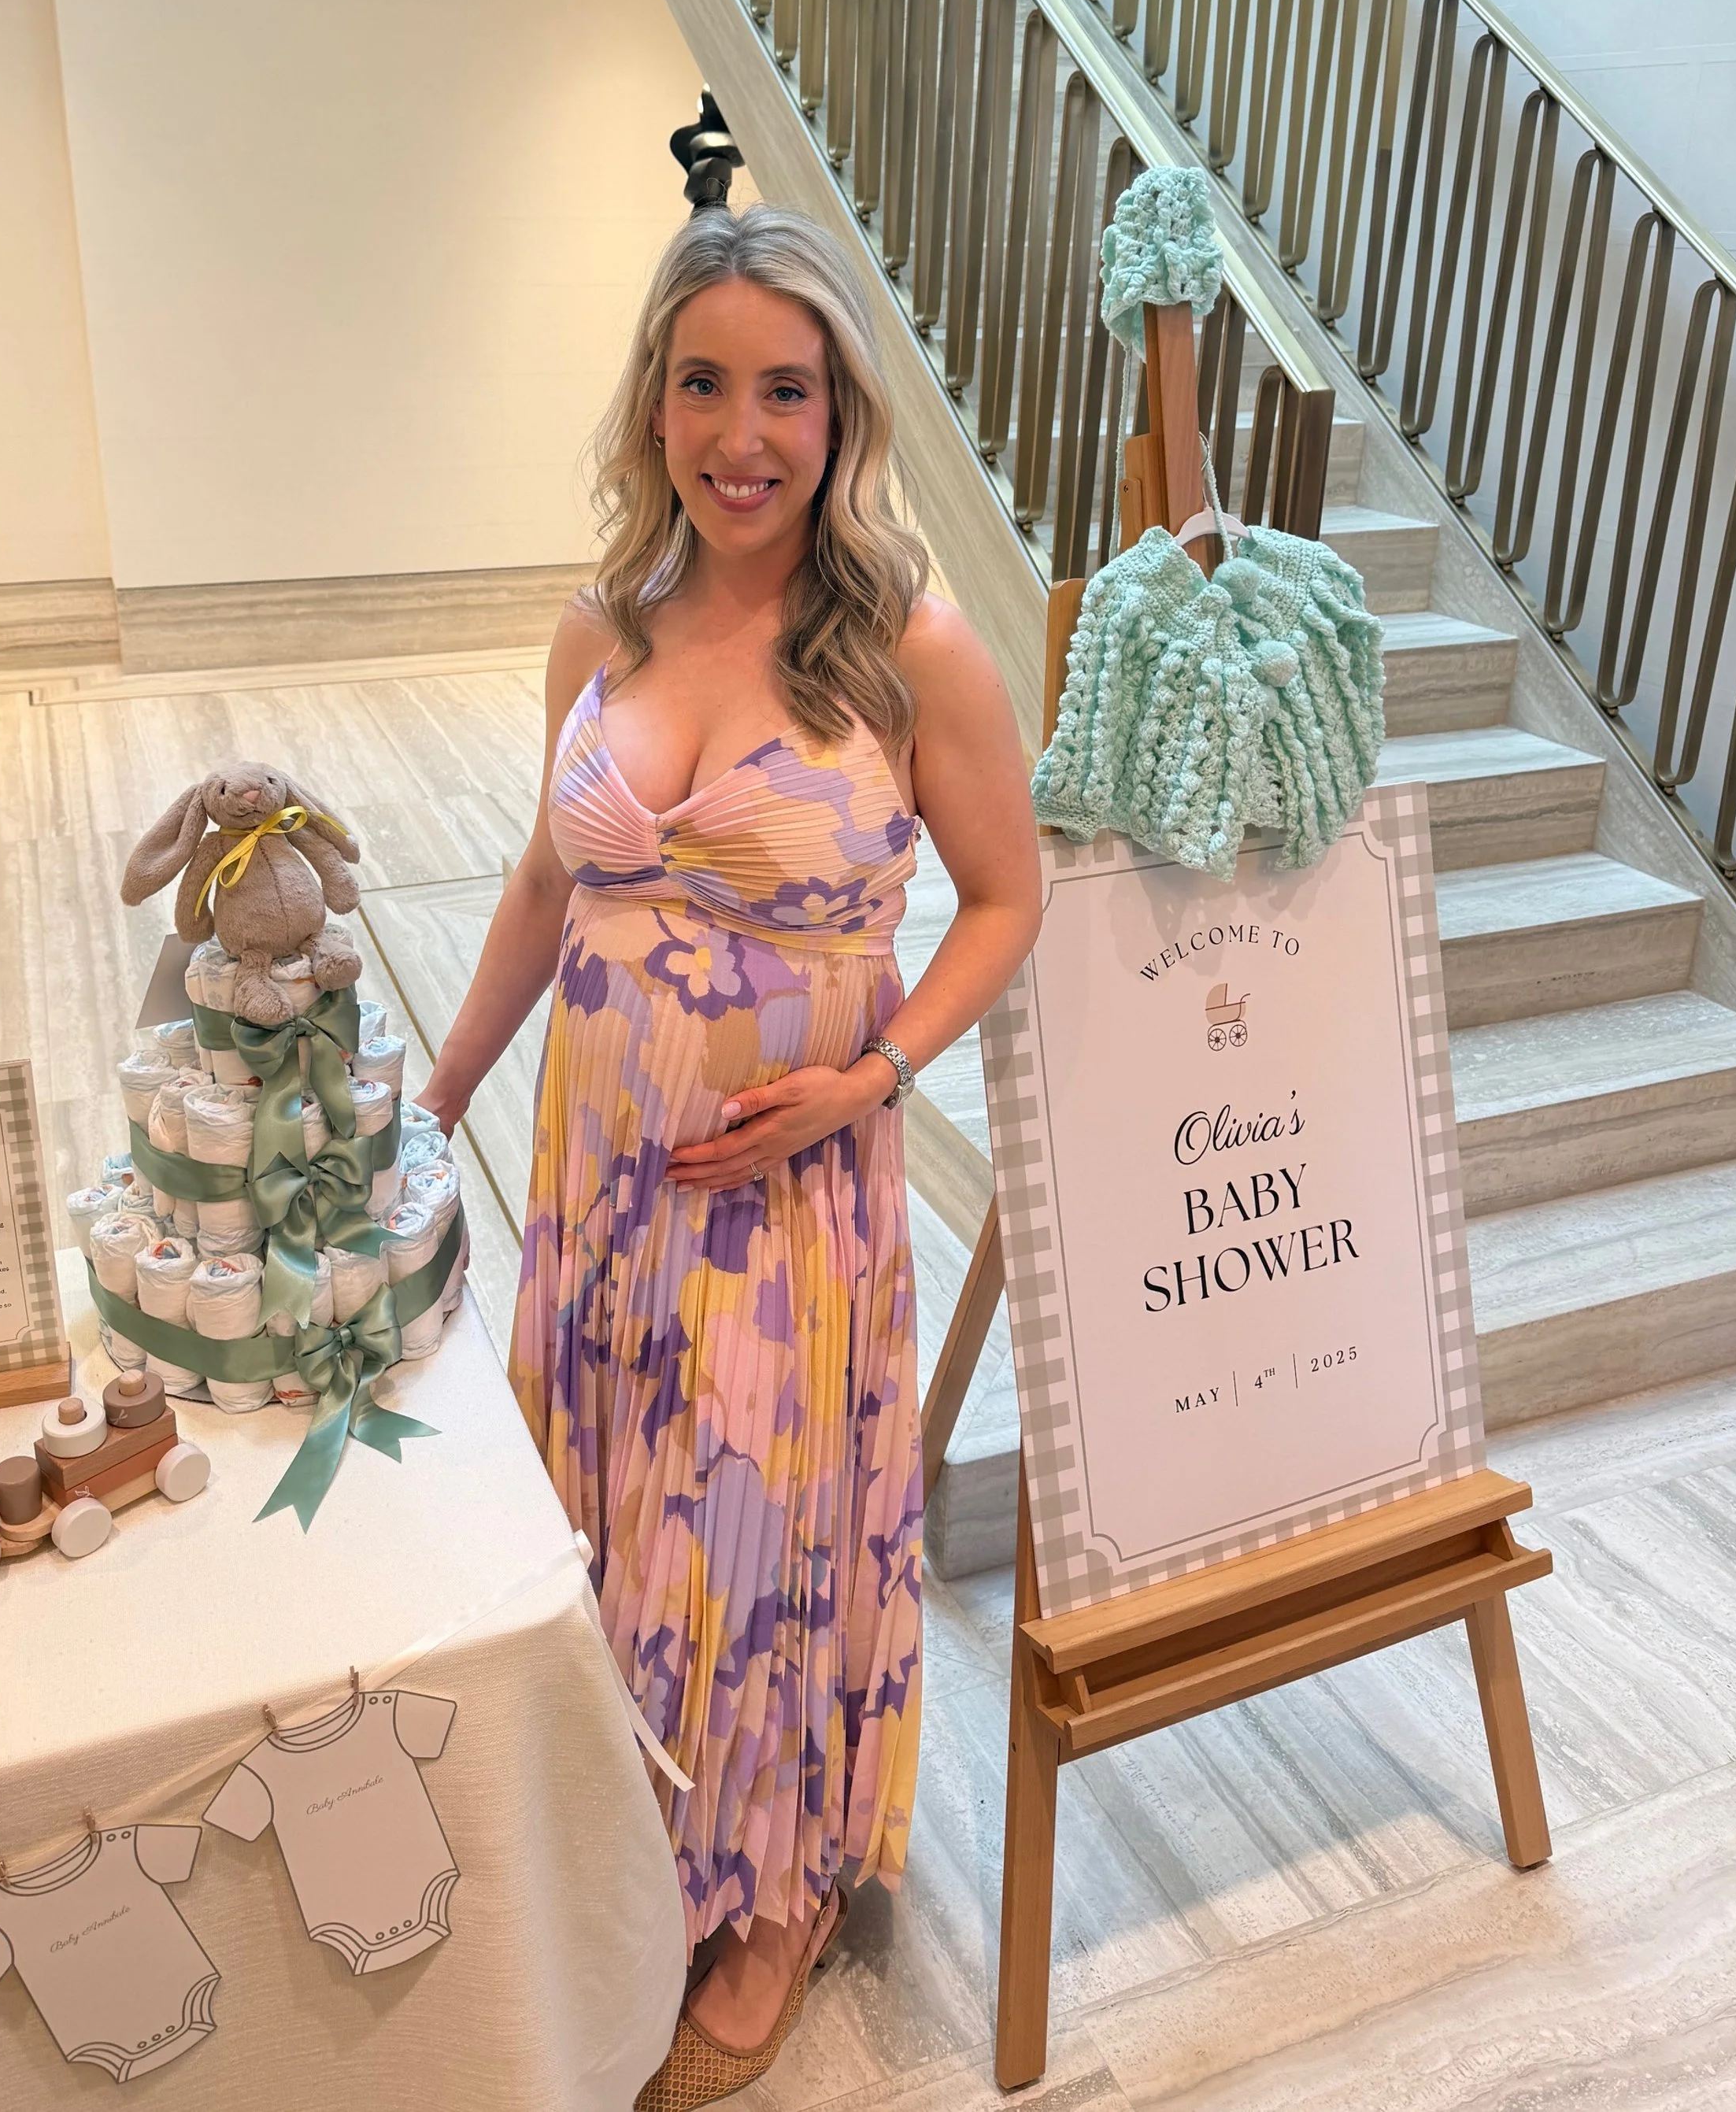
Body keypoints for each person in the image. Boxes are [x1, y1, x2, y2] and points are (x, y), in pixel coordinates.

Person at [420, 205, 1041, 2110]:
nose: (742, 433)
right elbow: (546, 883)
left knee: (756, 1529)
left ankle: (772, 1890)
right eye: (704, 384)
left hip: (788, 1204)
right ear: (654, 403)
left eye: (786, 389)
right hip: (599, 1185)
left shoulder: (910, 650)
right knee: (613, 1508)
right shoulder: (598, 627)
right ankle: (630, 1829)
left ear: (840, 414)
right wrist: (434, 1096)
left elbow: (1008, 899)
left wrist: (876, 1077)